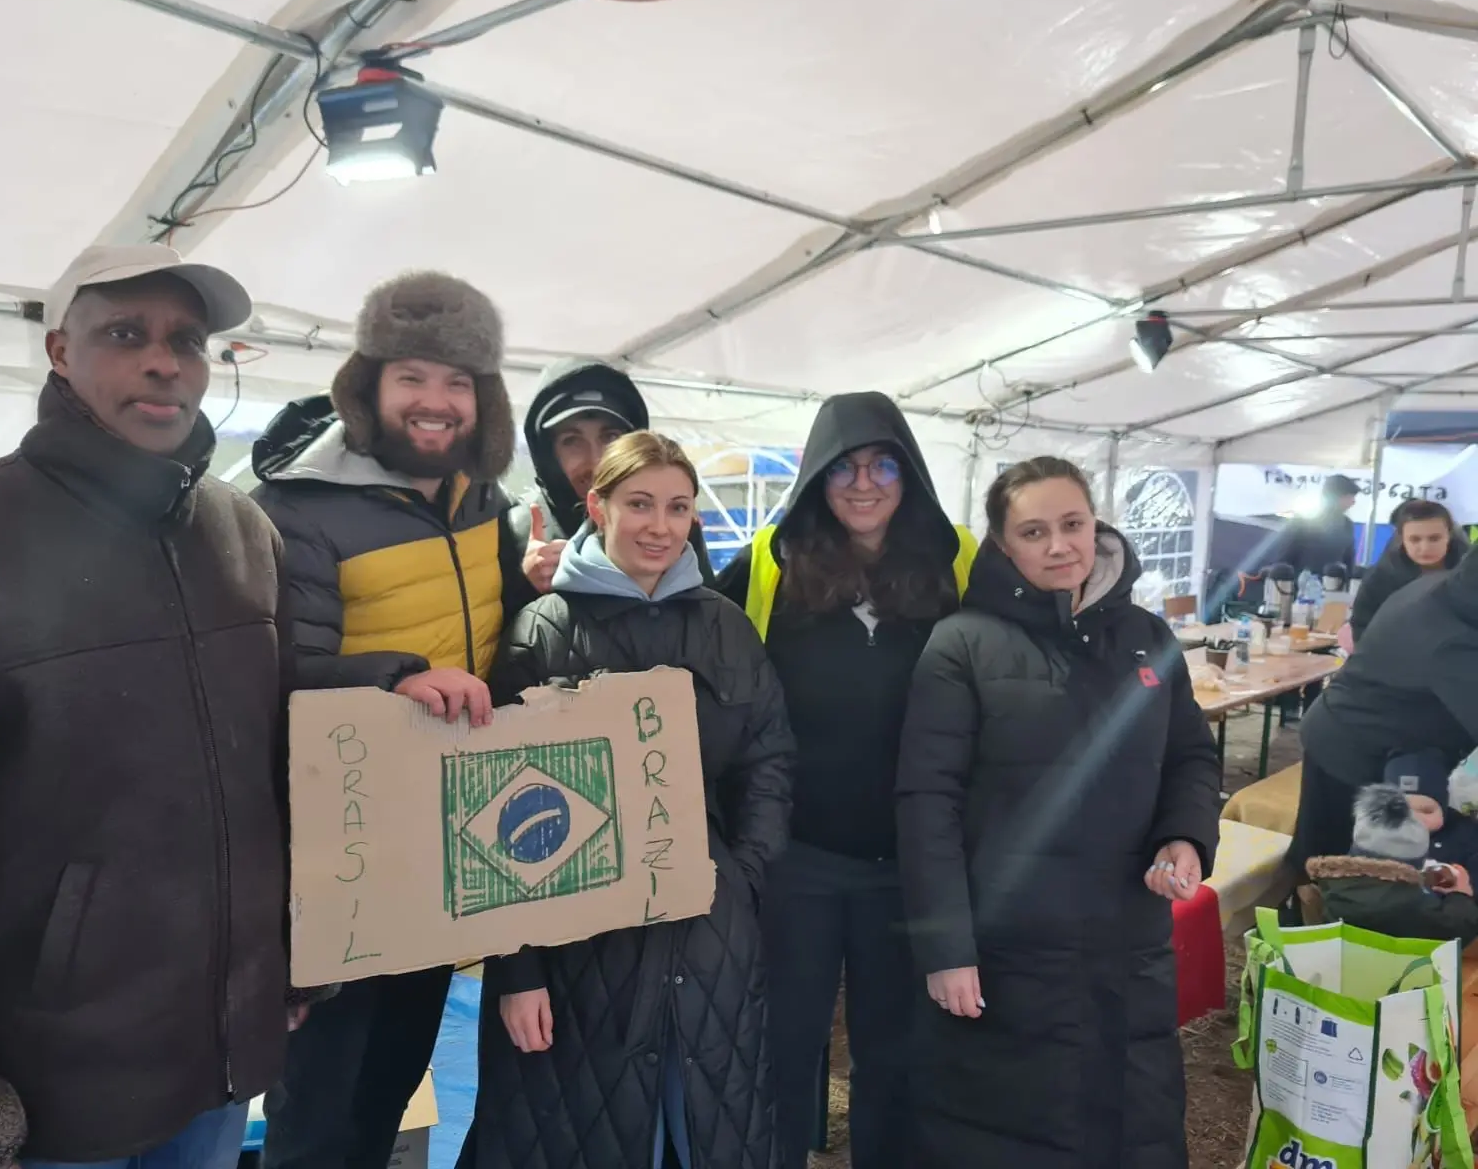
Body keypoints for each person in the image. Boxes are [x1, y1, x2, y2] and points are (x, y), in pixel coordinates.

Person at [0, 246, 293, 1169]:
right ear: (61, 352)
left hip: (220, 1068)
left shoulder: (244, 533)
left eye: (188, 340)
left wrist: (391, 683)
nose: (164, 362)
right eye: (126, 334)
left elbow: (278, 752)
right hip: (50, 1094)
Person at [458, 431, 795, 1169]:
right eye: (639, 504)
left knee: (706, 1126)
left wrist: (741, 876)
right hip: (577, 951)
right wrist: (518, 971)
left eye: (678, 507)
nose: (659, 526)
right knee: (579, 1130)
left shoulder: (725, 627)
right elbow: (493, 805)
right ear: (597, 507)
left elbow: (768, 759)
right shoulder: (544, 628)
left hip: (709, 936)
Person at [251, 271, 523, 1169]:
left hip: (446, 840)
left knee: (393, 1078)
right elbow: (271, 674)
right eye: (412, 376)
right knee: (319, 1104)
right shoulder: (299, 507)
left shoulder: (482, 501)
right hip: (339, 848)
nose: (435, 402)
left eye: (457, 382)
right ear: (368, 386)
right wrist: (397, 677)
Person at [896, 456, 1221, 1168]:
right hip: (1012, 949)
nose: (1058, 546)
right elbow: (927, 803)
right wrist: (947, 949)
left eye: (1072, 524)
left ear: (1095, 526)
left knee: (1134, 1121)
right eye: (1033, 532)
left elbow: (1192, 756)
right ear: (1002, 544)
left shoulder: (1147, 637)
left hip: (1127, 937)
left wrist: (1184, 837)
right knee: (1012, 1131)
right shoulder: (962, 644)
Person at [714, 392, 967, 1169]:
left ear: (908, 473)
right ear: (817, 477)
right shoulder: (770, 560)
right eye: (843, 467)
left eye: (883, 465)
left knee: (893, 1053)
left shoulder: (956, 558)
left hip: (909, 862)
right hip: (799, 858)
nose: (863, 483)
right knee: (783, 1045)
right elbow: (687, 631)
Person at [1290, 545, 1478, 872]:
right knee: (1334, 862)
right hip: (1351, 745)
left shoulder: (1447, 587)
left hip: (1393, 740)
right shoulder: (1450, 640)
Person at [510, 357, 713, 593]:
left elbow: (709, 607)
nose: (596, 461)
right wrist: (525, 583)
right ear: (547, 453)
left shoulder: (674, 526)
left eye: (610, 438)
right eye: (572, 441)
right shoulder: (515, 529)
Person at [1296, 785, 1478, 944]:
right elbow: (1459, 928)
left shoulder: (1332, 885)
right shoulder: (1414, 905)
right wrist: (1461, 894)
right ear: (1416, 863)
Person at [1350, 499, 1465, 638]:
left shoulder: (1470, 575)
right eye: (1415, 539)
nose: (1425, 548)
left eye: (1434, 539)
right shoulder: (1380, 578)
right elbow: (1362, 628)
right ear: (1402, 539)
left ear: (1449, 536)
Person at [1271, 472, 1360, 577]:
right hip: (1301, 583)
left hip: (1334, 584)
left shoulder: (1347, 525)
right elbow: (1284, 558)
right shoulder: (1302, 521)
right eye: (1349, 496)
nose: (1353, 502)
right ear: (1336, 496)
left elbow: (1349, 560)